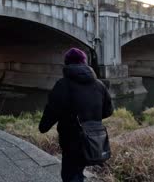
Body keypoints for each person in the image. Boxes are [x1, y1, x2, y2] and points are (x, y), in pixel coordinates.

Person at [39, 48, 113, 182]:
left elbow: (51, 110)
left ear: (66, 64)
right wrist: (91, 119)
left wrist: (43, 127)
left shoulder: (62, 85)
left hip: (70, 140)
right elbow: (108, 111)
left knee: (70, 174)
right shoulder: (99, 85)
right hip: (92, 140)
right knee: (78, 171)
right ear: (84, 63)